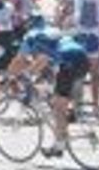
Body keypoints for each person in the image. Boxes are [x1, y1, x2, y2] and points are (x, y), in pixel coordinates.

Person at [12, 25, 90, 158]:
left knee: (58, 107)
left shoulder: (30, 39)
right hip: (83, 59)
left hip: (69, 61)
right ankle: (65, 126)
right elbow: (43, 62)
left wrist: (13, 77)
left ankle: (59, 146)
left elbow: (20, 61)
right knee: (58, 98)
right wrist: (32, 74)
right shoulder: (47, 34)